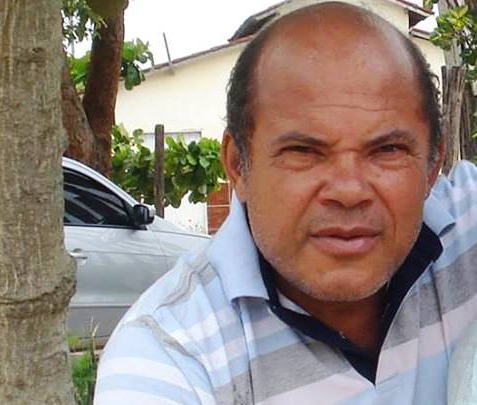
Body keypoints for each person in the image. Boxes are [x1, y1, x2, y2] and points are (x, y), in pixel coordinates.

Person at [95, 3, 477, 404]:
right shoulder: (169, 355)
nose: (349, 191)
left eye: (387, 150)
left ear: (433, 164)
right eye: (303, 152)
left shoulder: (466, 230)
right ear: (238, 165)